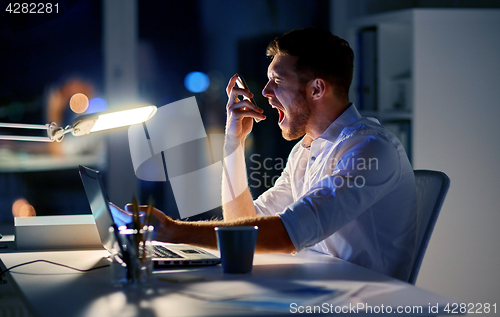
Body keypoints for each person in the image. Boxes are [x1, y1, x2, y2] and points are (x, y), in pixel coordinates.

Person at [114, 28, 416, 281]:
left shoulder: (371, 149)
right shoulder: (306, 150)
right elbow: (245, 224)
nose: (267, 92)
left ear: (317, 89)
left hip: (364, 304)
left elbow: (286, 235)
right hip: (317, 291)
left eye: (278, 81)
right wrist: (234, 142)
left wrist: (175, 231)